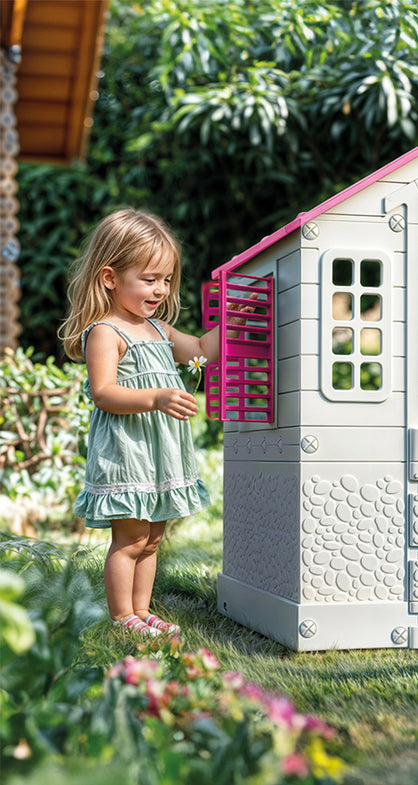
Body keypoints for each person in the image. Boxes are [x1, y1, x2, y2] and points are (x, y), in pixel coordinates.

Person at [59, 208, 249, 637]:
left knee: (152, 540)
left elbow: (202, 349)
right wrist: (156, 397)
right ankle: (122, 617)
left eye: (166, 279)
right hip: (128, 453)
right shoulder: (106, 331)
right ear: (110, 277)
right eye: (150, 279)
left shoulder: (159, 330)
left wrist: (231, 320)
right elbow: (104, 392)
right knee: (129, 541)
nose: (161, 289)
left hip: (161, 456)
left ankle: (142, 613)